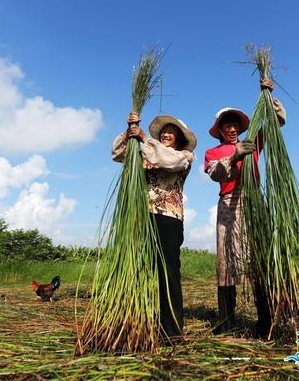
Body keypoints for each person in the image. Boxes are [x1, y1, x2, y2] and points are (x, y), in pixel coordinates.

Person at [203, 78, 286, 334]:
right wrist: (235, 154)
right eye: (226, 125)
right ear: (219, 129)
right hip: (229, 205)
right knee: (226, 261)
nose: (231, 128)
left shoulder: (252, 143)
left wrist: (269, 95)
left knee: (258, 258)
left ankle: (265, 321)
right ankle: (226, 322)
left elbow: (276, 123)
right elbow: (216, 173)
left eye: (234, 124)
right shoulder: (213, 152)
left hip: (253, 201)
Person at [112, 111, 197, 342]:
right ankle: (137, 324)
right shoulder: (145, 152)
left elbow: (166, 160)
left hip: (168, 219)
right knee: (140, 270)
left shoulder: (184, 156)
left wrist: (143, 138)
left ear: (179, 138)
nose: (168, 134)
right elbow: (117, 153)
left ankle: (171, 331)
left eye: (173, 132)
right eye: (164, 131)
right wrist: (130, 130)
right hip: (140, 216)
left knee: (167, 272)